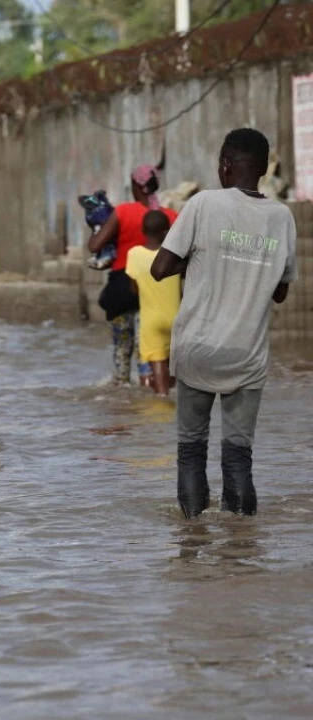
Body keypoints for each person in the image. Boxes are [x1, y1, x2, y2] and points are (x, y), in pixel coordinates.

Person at [150, 128, 297, 518]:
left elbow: (159, 268)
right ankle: (241, 548)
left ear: (224, 165)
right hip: (247, 355)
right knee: (238, 457)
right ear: (264, 169)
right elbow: (280, 292)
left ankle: (192, 538)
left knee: (191, 450)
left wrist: (203, 257)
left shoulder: (204, 204)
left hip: (197, 347)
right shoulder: (282, 217)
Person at [89, 163, 179, 386]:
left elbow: (95, 245)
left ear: (136, 187)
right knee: (149, 353)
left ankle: (123, 397)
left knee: (122, 351)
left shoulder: (123, 212)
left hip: (122, 291)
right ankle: (152, 403)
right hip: (156, 296)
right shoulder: (170, 217)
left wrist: (97, 231)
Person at [124, 210, 179, 397]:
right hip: (177, 319)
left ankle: (162, 404)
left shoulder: (134, 254)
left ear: (143, 230)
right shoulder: (174, 255)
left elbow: (133, 288)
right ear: (167, 231)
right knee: (174, 368)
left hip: (151, 322)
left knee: (158, 364)